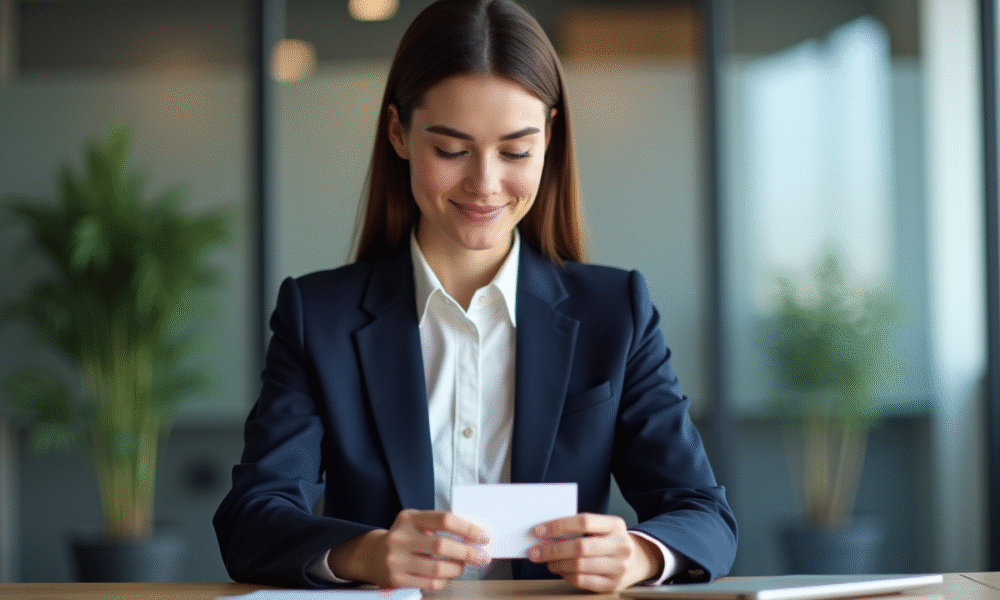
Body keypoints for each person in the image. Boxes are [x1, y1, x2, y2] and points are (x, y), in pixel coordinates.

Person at [213, 0, 737, 592]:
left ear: (550, 139)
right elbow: (250, 521)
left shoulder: (615, 313)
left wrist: (639, 554)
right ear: (399, 134)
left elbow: (706, 516)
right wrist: (365, 554)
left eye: (516, 151)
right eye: (451, 150)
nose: (485, 184)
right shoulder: (319, 318)